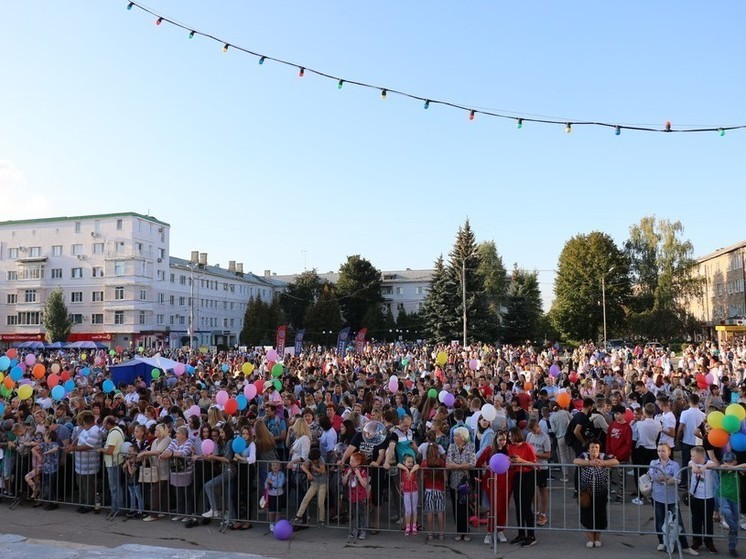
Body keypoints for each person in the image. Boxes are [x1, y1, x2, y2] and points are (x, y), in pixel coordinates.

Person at [650, 442, 698, 555]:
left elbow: (677, 479)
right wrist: (668, 477)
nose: (660, 453)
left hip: (672, 498)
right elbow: (654, 477)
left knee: (678, 522)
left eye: (663, 451)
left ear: (669, 452)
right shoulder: (653, 462)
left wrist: (664, 477)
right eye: (658, 451)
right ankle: (662, 542)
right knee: (659, 520)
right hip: (657, 496)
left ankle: (685, 545)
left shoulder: (675, 465)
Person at [574, 440, 619, 547]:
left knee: (599, 514)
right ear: (588, 449)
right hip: (586, 492)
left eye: (596, 448)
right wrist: (589, 463)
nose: (594, 450)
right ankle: (590, 539)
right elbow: (575, 461)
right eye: (592, 447)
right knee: (587, 515)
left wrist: (604, 463)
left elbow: (616, 462)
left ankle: (597, 538)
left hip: (601, 492)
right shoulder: (584, 455)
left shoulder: (603, 456)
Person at [475, 430, 509, 545]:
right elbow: (478, 462)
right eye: (500, 440)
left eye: (504, 439)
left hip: (505, 483)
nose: (502, 442)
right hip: (491, 483)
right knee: (493, 509)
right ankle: (489, 533)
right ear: (496, 440)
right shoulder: (489, 450)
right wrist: (486, 466)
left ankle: (500, 531)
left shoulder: (508, 451)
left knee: (502, 508)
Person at [507, 426, 537, 547]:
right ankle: (521, 533)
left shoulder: (527, 446)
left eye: (511, 436)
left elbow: (535, 464)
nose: (509, 438)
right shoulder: (511, 447)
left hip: (528, 476)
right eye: (508, 436)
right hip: (517, 476)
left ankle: (531, 535)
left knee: (526, 507)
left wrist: (521, 460)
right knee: (518, 506)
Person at [446, 426, 475, 542]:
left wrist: (457, 466)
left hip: (465, 481)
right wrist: (462, 466)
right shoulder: (451, 447)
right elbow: (448, 463)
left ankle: (466, 531)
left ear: (462, 437)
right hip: (454, 481)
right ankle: (459, 531)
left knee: (465, 506)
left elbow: (472, 463)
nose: (454, 438)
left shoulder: (470, 447)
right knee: (456, 507)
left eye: (456, 436)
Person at [688, 445, 716, 553]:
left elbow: (714, 464)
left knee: (708, 521)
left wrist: (704, 467)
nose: (691, 457)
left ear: (700, 456)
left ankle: (709, 541)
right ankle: (697, 540)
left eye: (693, 455)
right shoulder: (691, 462)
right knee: (696, 520)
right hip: (695, 497)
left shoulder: (708, 463)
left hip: (707, 497)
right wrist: (694, 466)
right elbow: (691, 465)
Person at [293, 447, 329, 526]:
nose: (313, 461)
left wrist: (314, 467)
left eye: (314, 460)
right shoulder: (310, 460)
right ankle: (299, 516)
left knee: (320, 502)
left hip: (322, 483)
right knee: (306, 498)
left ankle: (321, 520)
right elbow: (303, 466)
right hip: (314, 483)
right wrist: (308, 473)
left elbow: (323, 471)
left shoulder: (321, 460)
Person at [526, 418, 551, 527]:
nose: (535, 432)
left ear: (538, 426)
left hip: (542, 467)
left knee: (542, 490)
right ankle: (535, 511)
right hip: (531, 466)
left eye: (536, 429)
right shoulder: (529, 436)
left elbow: (548, 455)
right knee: (532, 490)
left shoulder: (545, 437)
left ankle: (543, 513)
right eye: (532, 431)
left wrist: (535, 455)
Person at [718, 451, 743, 558]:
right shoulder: (722, 470)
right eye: (725, 461)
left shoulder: (738, 470)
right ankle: (734, 527)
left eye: (730, 461)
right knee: (726, 511)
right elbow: (721, 467)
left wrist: (735, 468)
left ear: (735, 462)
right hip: (723, 496)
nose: (727, 463)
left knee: (735, 519)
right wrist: (726, 466)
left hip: (736, 499)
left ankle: (732, 547)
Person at [421, 436, 446, 541]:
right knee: (440, 512)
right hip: (439, 489)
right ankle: (441, 534)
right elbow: (445, 478)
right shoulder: (441, 463)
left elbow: (422, 477)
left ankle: (430, 533)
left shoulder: (424, 463)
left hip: (429, 490)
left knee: (429, 512)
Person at [99, 415, 125, 518]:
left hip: (113, 463)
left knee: (114, 487)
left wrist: (102, 450)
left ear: (109, 424)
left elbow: (110, 451)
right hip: (115, 462)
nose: (103, 425)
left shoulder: (114, 433)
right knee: (116, 487)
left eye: (104, 423)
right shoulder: (117, 430)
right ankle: (117, 508)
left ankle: (117, 509)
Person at [342, 451, 369, 542]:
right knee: (353, 514)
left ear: (359, 462)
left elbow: (364, 484)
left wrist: (358, 475)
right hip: (351, 496)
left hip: (360, 496)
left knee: (361, 513)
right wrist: (347, 474)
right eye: (350, 461)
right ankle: (355, 529)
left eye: (353, 461)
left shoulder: (362, 471)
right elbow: (344, 482)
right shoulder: (348, 469)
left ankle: (363, 530)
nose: (351, 463)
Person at [397, 453, 420, 536]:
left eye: (411, 462)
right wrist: (406, 469)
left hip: (414, 491)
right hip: (406, 491)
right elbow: (398, 464)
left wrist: (412, 471)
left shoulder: (414, 468)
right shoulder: (403, 470)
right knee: (408, 510)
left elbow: (417, 465)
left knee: (414, 509)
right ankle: (407, 526)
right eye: (408, 462)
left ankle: (414, 526)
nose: (410, 463)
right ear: (404, 462)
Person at [265, 459, 286, 532]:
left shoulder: (281, 474)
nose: (275, 466)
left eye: (277, 465)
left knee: (278, 511)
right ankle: (271, 523)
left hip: (279, 494)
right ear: (271, 467)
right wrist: (267, 484)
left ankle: (277, 524)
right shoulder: (269, 474)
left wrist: (271, 482)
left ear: (280, 467)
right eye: (273, 465)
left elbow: (280, 484)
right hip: (271, 494)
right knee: (271, 511)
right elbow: (266, 484)